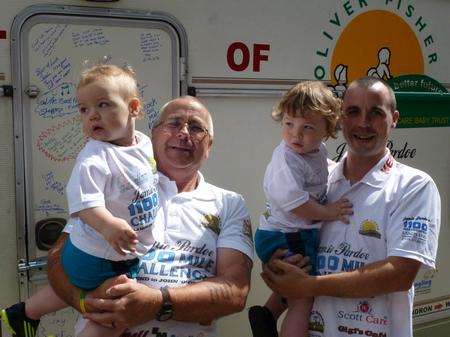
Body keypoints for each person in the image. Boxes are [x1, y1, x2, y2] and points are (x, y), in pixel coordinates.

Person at [44, 96, 254, 337]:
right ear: (153, 135)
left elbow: (236, 290)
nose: (184, 133)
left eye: (196, 127)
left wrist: (157, 303)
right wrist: (82, 300)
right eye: (174, 124)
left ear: (210, 146)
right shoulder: (115, 182)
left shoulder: (229, 204)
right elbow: (58, 257)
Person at [262, 77, 441, 337]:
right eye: (353, 112)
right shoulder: (321, 181)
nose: (363, 123)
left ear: (394, 118)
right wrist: (281, 270)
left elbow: (399, 275)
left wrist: (309, 286)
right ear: (341, 119)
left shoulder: (414, 186)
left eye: (376, 113)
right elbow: (300, 264)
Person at [1, 64, 160, 337]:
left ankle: (24, 313)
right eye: (84, 109)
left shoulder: (143, 143)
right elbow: (85, 204)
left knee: (74, 285)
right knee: (110, 318)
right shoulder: (94, 157)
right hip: (100, 255)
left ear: (134, 108)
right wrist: (109, 225)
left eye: (103, 104)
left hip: (100, 252)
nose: (91, 115)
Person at [249, 81, 353, 337]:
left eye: (307, 127)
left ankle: (266, 315)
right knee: (303, 295)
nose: (296, 134)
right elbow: (297, 205)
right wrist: (329, 212)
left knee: (294, 280)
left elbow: (322, 168)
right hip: (285, 234)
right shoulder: (287, 159)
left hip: (288, 232)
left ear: (327, 130)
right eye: (289, 124)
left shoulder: (315, 150)